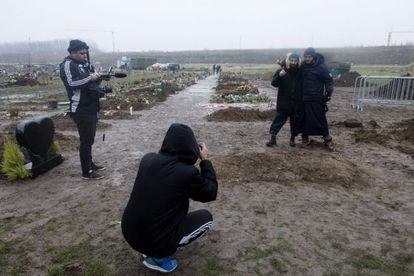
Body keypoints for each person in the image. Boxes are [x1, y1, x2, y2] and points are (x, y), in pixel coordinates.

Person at [121, 123, 218, 273]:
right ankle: (158, 258)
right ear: (192, 146)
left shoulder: (148, 159)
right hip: (155, 241)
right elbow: (211, 193)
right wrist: (205, 161)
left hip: (129, 231)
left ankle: (149, 248)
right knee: (207, 218)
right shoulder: (187, 173)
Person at [59, 39, 106, 180]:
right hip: (80, 109)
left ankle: (90, 164)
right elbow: (71, 83)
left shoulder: (83, 64)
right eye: (81, 53)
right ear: (72, 52)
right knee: (86, 140)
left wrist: (97, 78)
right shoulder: (67, 65)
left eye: (85, 53)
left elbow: (90, 82)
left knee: (90, 139)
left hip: (91, 106)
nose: (84, 56)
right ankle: (87, 172)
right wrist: (90, 78)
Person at [299, 47, 334, 150]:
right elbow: (293, 70)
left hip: (317, 98)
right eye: (305, 57)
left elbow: (329, 80)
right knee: (304, 120)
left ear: (313, 57)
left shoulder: (321, 67)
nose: (307, 59)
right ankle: (305, 139)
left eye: (309, 57)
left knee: (320, 119)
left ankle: (328, 140)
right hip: (304, 98)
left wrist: (329, 92)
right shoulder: (302, 66)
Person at [266, 52, 302, 147]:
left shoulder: (300, 72)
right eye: (292, 60)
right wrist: (280, 76)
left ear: (298, 61)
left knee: (294, 122)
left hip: (296, 103)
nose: (293, 62)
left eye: (295, 61)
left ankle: (292, 139)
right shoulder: (281, 71)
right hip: (283, 102)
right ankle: (273, 139)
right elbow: (274, 83)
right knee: (278, 121)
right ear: (288, 60)